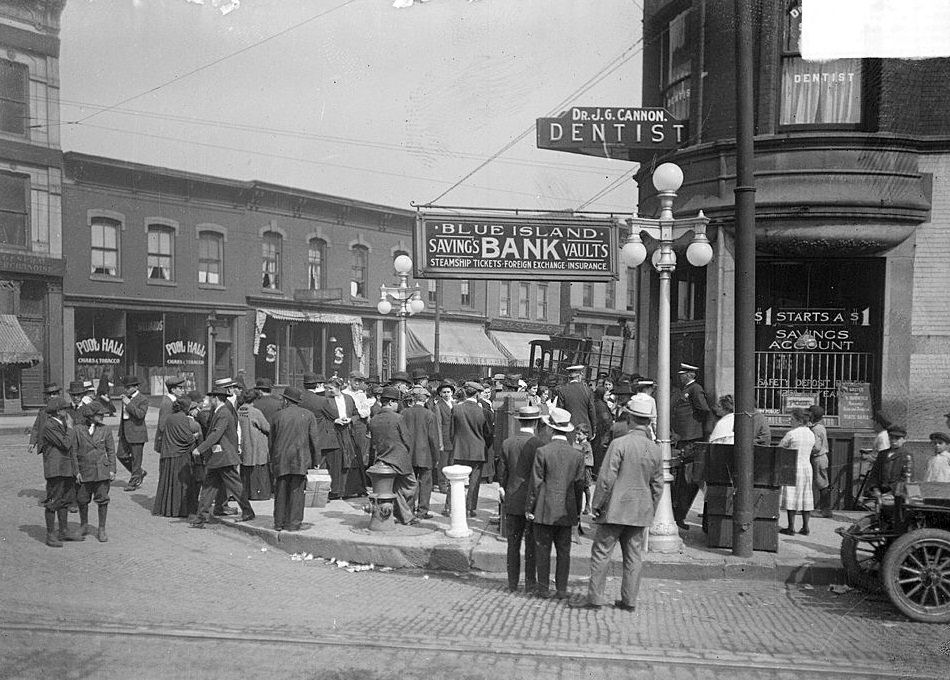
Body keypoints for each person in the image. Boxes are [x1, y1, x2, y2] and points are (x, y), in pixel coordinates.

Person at [571, 393, 664, 611]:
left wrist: (596, 506)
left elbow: (606, 479)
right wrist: (649, 508)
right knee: (633, 556)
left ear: (630, 419)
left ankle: (595, 598)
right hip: (640, 510)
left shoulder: (619, 444)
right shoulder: (656, 450)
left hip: (614, 509)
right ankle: (629, 601)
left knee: (602, 552)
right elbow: (657, 486)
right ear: (649, 421)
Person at [525, 407, 586, 600]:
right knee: (564, 551)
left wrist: (530, 508)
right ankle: (561, 589)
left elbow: (536, 483)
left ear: (551, 429)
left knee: (542, 550)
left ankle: (543, 588)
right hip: (566, 510)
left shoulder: (543, 451)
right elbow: (579, 486)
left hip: (544, 508)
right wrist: (576, 512)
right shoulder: (577, 455)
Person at [190, 385, 255, 528]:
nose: (208, 399)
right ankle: (201, 516)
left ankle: (247, 511)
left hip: (224, 456)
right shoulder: (218, 411)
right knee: (208, 487)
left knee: (235, 487)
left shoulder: (223, 413)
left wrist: (200, 449)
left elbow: (216, 434)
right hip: (218, 457)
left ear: (215, 398)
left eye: (210, 397)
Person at [497, 405, 542, 594]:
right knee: (531, 544)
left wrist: (502, 487)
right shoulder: (540, 444)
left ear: (519, 421)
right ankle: (531, 583)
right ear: (537, 422)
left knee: (512, 544)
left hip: (513, 498)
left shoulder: (508, 443)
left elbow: (502, 471)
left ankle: (512, 583)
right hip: (533, 502)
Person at [269, 387, 322, 532]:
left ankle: (279, 522)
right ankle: (294, 523)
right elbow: (315, 441)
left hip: (281, 460)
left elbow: (271, 442)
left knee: (280, 491)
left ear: (286, 400)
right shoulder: (309, 415)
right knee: (297, 492)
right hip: (300, 459)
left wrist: (272, 460)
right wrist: (317, 461)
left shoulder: (277, 416)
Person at [368, 386, 418, 525]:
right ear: (390, 402)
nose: (398, 405)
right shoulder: (398, 418)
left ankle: (405, 516)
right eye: (396, 402)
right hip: (399, 460)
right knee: (411, 486)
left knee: (394, 488)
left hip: (381, 459)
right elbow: (407, 440)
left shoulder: (374, 419)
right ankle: (405, 515)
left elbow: (373, 442)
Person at [670, 362, 711, 531]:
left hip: (691, 438)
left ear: (689, 375)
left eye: (682, 374)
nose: (680, 377)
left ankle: (680, 514)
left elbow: (703, 410)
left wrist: (696, 430)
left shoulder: (695, 389)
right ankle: (677, 513)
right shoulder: (685, 390)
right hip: (683, 437)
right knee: (679, 479)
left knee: (686, 480)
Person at [39, 396, 80, 547]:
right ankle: (50, 535)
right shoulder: (49, 425)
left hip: (65, 468)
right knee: (53, 501)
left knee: (65, 500)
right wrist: (70, 428)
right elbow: (65, 443)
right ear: (57, 411)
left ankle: (63, 530)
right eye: (64, 409)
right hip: (55, 469)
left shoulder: (60, 423)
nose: (66, 411)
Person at [74, 401, 116, 542]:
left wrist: (112, 469)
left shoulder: (106, 429)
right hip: (85, 471)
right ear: (91, 416)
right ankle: (84, 525)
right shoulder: (78, 430)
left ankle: (101, 529)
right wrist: (76, 471)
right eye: (99, 414)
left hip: (101, 472)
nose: (103, 416)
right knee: (82, 500)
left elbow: (111, 451)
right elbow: (73, 453)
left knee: (103, 500)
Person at [450, 381, 493, 517]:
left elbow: (451, 431)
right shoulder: (484, 412)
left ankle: (450, 507)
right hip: (478, 450)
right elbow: (489, 434)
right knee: (474, 482)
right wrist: (484, 445)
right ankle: (470, 508)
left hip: (459, 449)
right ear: (478, 394)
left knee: (456, 480)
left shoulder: (456, 408)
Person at [320, 377, 368, 499]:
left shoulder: (348, 398)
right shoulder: (326, 401)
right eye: (328, 388)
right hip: (335, 433)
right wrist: (335, 421)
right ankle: (336, 490)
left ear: (338, 388)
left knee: (351, 459)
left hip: (348, 432)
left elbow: (356, 414)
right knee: (337, 461)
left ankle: (349, 490)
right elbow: (323, 418)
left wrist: (350, 419)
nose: (329, 391)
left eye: (331, 388)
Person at [401, 386, 440, 519]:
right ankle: (423, 511)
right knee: (425, 483)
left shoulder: (404, 413)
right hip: (425, 455)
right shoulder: (430, 414)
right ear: (425, 399)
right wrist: (436, 456)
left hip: (408, 454)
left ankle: (409, 509)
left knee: (410, 483)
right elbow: (433, 438)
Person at [779, 408, 816, 536]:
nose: (790, 421)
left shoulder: (792, 434)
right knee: (806, 495)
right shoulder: (811, 434)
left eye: (792, 419)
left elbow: (780, 448)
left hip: (793, 467)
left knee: (792, 496)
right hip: (806, 467)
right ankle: (806, 527)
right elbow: (815, 448)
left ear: (799, 421)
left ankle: (791, 527)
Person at [238, 389, 272, 500]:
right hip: (256, 444)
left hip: (244, 444)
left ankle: (248, 493)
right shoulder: (255, 412)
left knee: (246, 470)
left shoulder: (239, 410)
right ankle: (259, 494)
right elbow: (266, 427)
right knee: (259, 469)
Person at [117, 375, 149, 491]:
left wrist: (128, 403)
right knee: (120, 455)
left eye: (128, 387)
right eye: (125, 387)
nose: (125, 389)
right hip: (124, 432)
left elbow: (140, 415)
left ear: (135, 387)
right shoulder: (126, 397)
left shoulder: (143, 399)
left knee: (136, 459)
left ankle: (134, 480)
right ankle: (139, 472)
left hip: (137, 433)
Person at [864, 425, 912, 499]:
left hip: (896, 494)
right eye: (891, 438)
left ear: (904, 439)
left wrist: (891, 492)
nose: (893, 440)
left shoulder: (906, 455)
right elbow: (874, 474)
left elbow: (905, 478)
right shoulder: (882, 454)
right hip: (880, 493)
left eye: (897, 438)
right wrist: (875, 489)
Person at [555, 365, 596, 432]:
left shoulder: (562, 390)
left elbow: (560, 411)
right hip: (585, 430)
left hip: (568, 429)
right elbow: (592, 411)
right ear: (579, 376)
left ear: (569, 377)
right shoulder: (587, 390)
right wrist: (594, 429)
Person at [808, 404, 832, 518]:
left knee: (822, 483)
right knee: (821, 483)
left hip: (818, 458)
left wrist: (806, 451)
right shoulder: (818, 427)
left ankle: (825, 510)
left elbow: (816, 447)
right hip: (820, 458)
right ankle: (825, 509)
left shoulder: (816, 429)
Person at [155, 376, 186, 456]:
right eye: (180, 388)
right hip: (168, 442)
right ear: (173, 390)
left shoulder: (174, 401)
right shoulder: (167, 403)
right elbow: (163, 425)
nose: (183, 390)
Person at [434, 379, 455, 494]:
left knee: (452, 462)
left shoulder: (454, 404)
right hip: (444, 438)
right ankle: (442, 485)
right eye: (444, 392)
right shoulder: (438, 406)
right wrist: (440, 443)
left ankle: (450, 483)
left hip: (453, 438)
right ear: (440, 394)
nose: (447, 394)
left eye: (448, 392)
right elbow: (438, 425)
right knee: (443, 463)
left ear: (452, 392)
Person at [572, 423, 594, 517]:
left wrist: (575, 444)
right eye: (576, 434)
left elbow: (581, 451)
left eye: (579, 434)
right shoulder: (581, 444)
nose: (577, 436)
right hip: (580, 467)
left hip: (586, 468)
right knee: (581, 487)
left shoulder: (586, 445)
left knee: (586, 487)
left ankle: (588, 505)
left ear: (585, 435)